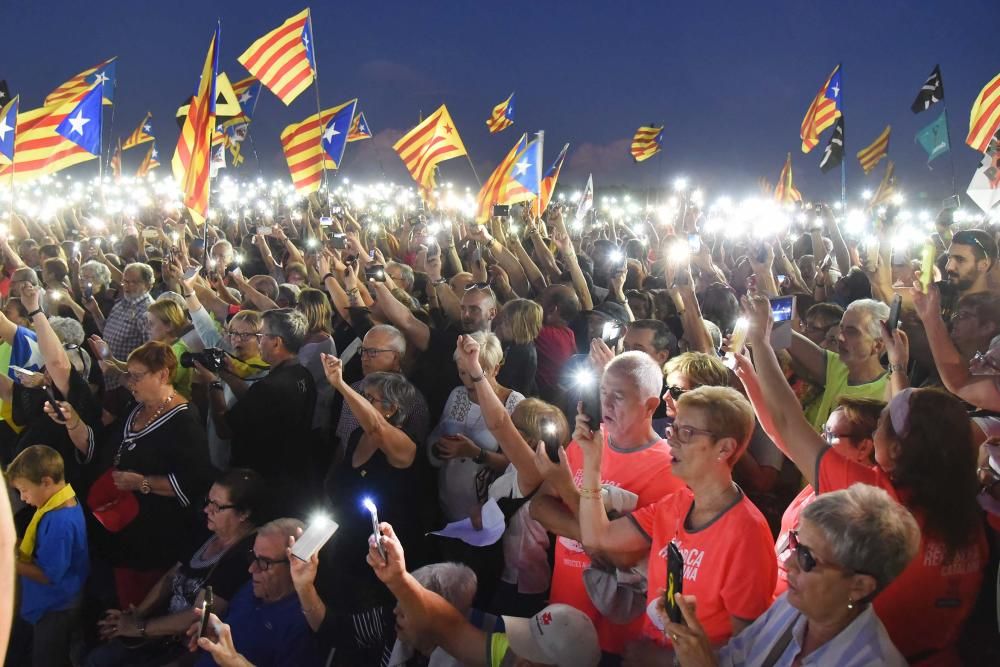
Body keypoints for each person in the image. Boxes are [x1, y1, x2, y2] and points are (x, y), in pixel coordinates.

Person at [736, 293, 988, 664]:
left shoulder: (877, 502)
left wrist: (760, 340)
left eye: (882, 425)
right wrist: (898, 365)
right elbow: (914, 424)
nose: (876, 431)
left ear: (895, 449)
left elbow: (788, 425)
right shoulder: (970, 512)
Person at [577, 385, 776, 661]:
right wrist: (591, 463)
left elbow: (748, 651)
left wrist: (664, 661)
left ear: (725, 448)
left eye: (687, 433)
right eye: (674, 429)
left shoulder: (747, 534)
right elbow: (597, 537)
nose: (671, 440)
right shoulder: (676, 505)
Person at [530, 351, 683, 658]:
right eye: (603, 393)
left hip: (614, 635)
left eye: (619, 397)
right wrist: (591, 534)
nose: (606, 405)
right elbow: (539, 506)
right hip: (563, 617)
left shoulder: (670, 471)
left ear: (650, 406)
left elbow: (622, 558)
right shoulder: (586, 441)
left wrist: (572, 502)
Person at [664, 485, 919, 667]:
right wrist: (689, 640)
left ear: (859, 586)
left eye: (807, 558)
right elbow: (734, 658)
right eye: (795, 543)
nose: (787, 561)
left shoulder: (872, 661)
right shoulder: (792, 607)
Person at [46, 341, 215, 608]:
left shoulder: (184, 420)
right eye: (129, 375)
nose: (129, 382)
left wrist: (143, 483)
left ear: (162, 375)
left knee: (132, 603)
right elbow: (102, 446)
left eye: (137, 376)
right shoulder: (135, 408)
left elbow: (196, 480)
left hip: (149, 540)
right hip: (115, 529)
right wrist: (73, 422)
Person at [85, 469, 266, 667]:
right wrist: (137, 614)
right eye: (208, 501)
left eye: (217, 506)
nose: (207, 510)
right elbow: (171, 577)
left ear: (244, 514)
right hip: (160, 632)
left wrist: (139, 628)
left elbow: (198, 616)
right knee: (98, 656)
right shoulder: (208, 532)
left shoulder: (242, 558)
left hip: (184, 650)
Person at [366, 521, 601, 667]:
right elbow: (450, 627)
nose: (519, 658)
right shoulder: (512, 654)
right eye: (525, 643)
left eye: (533, 655)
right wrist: (399, 579)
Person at [317, 352, 425, 665]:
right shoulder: (355, 436)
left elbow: (378, 430)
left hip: (376, 566)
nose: (361, 403)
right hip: (343, 551)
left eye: (370, 399)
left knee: (361, 638)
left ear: (392, 409)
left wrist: (340, 385)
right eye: (363, 396)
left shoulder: (406, 446)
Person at [773, 396, 884, 597]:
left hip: (800, 606)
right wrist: (746, 373)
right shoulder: (823, 477)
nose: (821, 439)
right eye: (823, 430)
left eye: (830, 434)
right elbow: (779, 432)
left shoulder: (856, 500)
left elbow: (786, 422)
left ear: (863, 448)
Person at [213, 308, 316, 515]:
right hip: (289, 474)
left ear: (276, 342)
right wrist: (229, 376)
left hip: (258, 480)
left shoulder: (270, 387)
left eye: (261, 336)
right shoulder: (304, 375)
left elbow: (224, 429)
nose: (259, 342)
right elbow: (257, 403)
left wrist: (212, 385)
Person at [191, 518, 321, 667]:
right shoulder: (250, 588)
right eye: (253, 556)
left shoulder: (302, 624)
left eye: (264, 562)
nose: (252, 569)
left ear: (296, 564)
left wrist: (234, 662)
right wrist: (213, 638)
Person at [5, 445, 89, 667]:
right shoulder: (57, 504)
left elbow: (48, 575)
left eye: (24, 490)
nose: (23, 498)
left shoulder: (61, 522)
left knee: (47, 658)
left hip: (56, 607)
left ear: (46, 482)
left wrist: (7, 560)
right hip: (45, 602)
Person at [429, 331, 525, 523]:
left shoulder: (515, 404)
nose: (468, 380)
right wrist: (438, 447)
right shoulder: (457, 394)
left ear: (496, 369)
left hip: (486, 513)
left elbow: (521, 466)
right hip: (448, 501)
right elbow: (437, 434)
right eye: (462, 372)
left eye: (476, 373)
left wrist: (475, 452)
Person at [788, 299, 890, 431]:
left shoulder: (888, 392)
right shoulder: (837, 366)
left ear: (878, 344)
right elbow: (784, 336)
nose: (840, 337)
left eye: (852, 331)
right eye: (841, 328)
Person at [89, 299, 193, 400]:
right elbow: (137, 370)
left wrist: (116, 373)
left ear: (169, 325)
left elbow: (153, 389)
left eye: (151, 323)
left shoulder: (177, 352)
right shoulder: (157, 346)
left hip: (172, 408)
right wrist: (110, 358)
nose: (147, 327)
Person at [98, 263, 155, 393]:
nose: (127, 286)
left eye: (133, 282)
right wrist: (95, 311)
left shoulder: (147, 312)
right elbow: (106, 329)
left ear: (148, 285)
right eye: (125, 281)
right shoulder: (122, 303)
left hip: (126, 385)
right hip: (109, 378)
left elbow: (150, 354)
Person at [535, 284, 580, 401]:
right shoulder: (568, 333)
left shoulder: (545, 334)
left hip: (545, 401)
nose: (534, 302)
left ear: (552, 309)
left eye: (540, 299)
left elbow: (510, 318)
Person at [494, 298, 542, 396]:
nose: (501, 326)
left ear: (519, 327)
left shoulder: (522, 351)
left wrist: (496, 341)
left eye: (506, 323)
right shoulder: (514, 344)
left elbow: (501, 380)